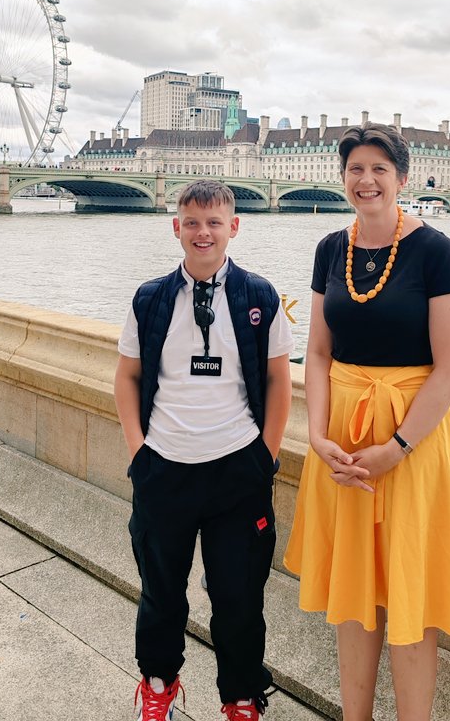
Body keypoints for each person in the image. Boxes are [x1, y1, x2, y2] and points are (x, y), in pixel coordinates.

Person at [284, 123, 450, 721]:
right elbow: (318, 354)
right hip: (345, 442)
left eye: (379, 169)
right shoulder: (330, 248)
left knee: (411, 597)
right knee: (352, 599)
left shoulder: (434, 249)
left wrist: (397, 445)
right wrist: (318, 437)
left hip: (416, 444)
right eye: (355, 168)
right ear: (342, 177)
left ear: (402, 178)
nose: (366, 180)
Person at [115, 179, 294, 721]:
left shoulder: (260, 297)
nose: (202, 232)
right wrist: (138, 453)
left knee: (239, 600)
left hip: (237, 471)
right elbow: (126, 377)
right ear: (176, 227)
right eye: (191, 222)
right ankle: (158, 685)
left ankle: (240, 699)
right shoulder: (149, 300)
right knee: (160, 594)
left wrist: (265, 456)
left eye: (214, 222)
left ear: (233, 227)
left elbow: (280, 381)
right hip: (164, 469)